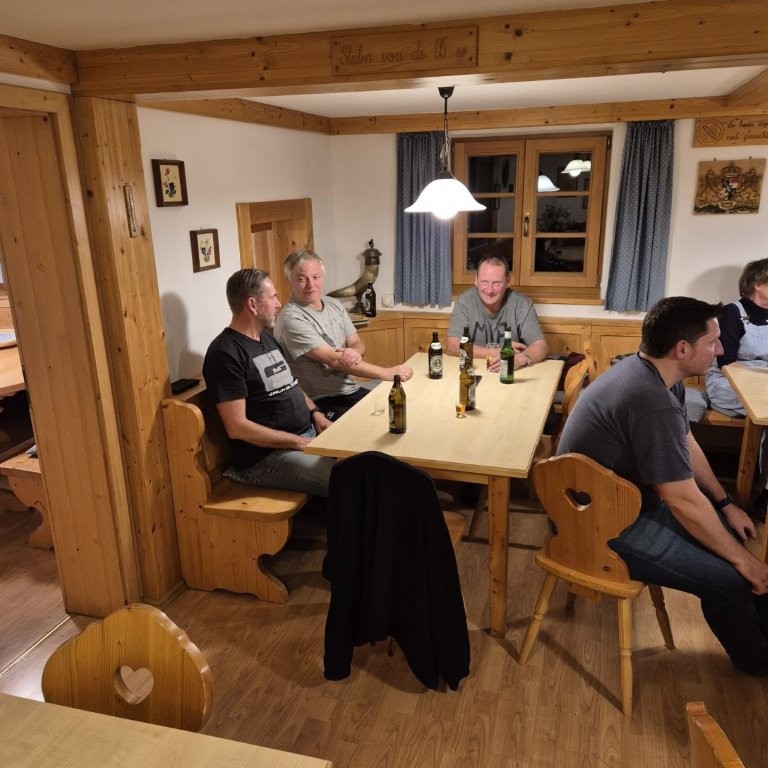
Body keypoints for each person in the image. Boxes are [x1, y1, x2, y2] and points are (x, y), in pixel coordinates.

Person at [557, 296, 768, 675]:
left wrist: (724, 504)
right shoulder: (649, 399)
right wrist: (745, 562)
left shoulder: (657, 376)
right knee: (730, 578)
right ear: (682, 349)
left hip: (622, 503)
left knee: (735, 549)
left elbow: (686, 443)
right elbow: (682, 501)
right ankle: (758, 661)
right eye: (712, 342)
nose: (720, 350)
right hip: (596, 526)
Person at [202, 268, 336, 497]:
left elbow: (290, 383)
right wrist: (299, 443)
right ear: (252, 304)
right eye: (273, 297)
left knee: (363, 460)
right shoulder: (224, 353)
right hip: (265, 457)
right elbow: (237, 427)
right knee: (347, 480)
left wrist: (316, 414)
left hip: (303, 435)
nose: (278, 303)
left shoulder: (266, 337)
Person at [274, 248, 413, 420]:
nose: (311, 284)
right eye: (302, 279)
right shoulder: (291, 319)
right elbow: (334, 360)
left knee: (402, 410)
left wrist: (354, 352)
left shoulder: (333, 304)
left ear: (322, 276)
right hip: (320, 402)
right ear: (289, 280)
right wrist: (386, 373)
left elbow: (357, 343)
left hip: (350, 390)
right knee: (380, 422)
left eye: (315, 277)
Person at [705, 258, 768, 517]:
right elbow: (726, 361)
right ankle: (762, 493)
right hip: (727, 381)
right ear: (758, 283)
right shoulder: (732, 312)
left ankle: (762, 486)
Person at [447, 254, 548, 372]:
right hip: (475, 371)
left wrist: (520, 359)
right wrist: (499, 352)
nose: (489, 290)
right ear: (476, 280)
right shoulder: (465, 301)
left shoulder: (522, 304)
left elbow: (541, 347)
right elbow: (452, 346)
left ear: (508, 281)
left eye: (496, 283)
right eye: (484, 282)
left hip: (510, 372)